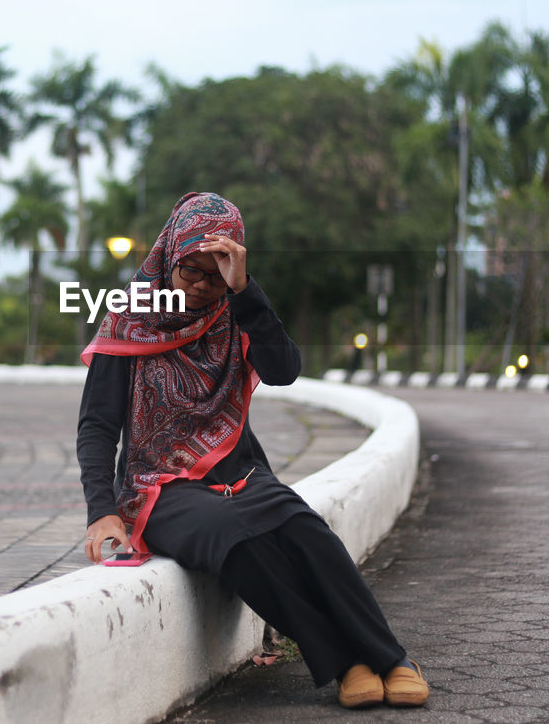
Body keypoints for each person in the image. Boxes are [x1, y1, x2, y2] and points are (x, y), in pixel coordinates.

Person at [76, 192, 427, 709]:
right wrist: (101, 511)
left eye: (214, 274)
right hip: (159, 487)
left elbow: (284, 368)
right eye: (190, 270)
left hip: (238, 470)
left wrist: (244, 291)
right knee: (235, 537)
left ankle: (392, 659)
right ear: (169, 254)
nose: (199, 285)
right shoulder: (129, 318)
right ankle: (345, 661)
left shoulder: (236, 310)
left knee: (302, 528)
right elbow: (97, 425)